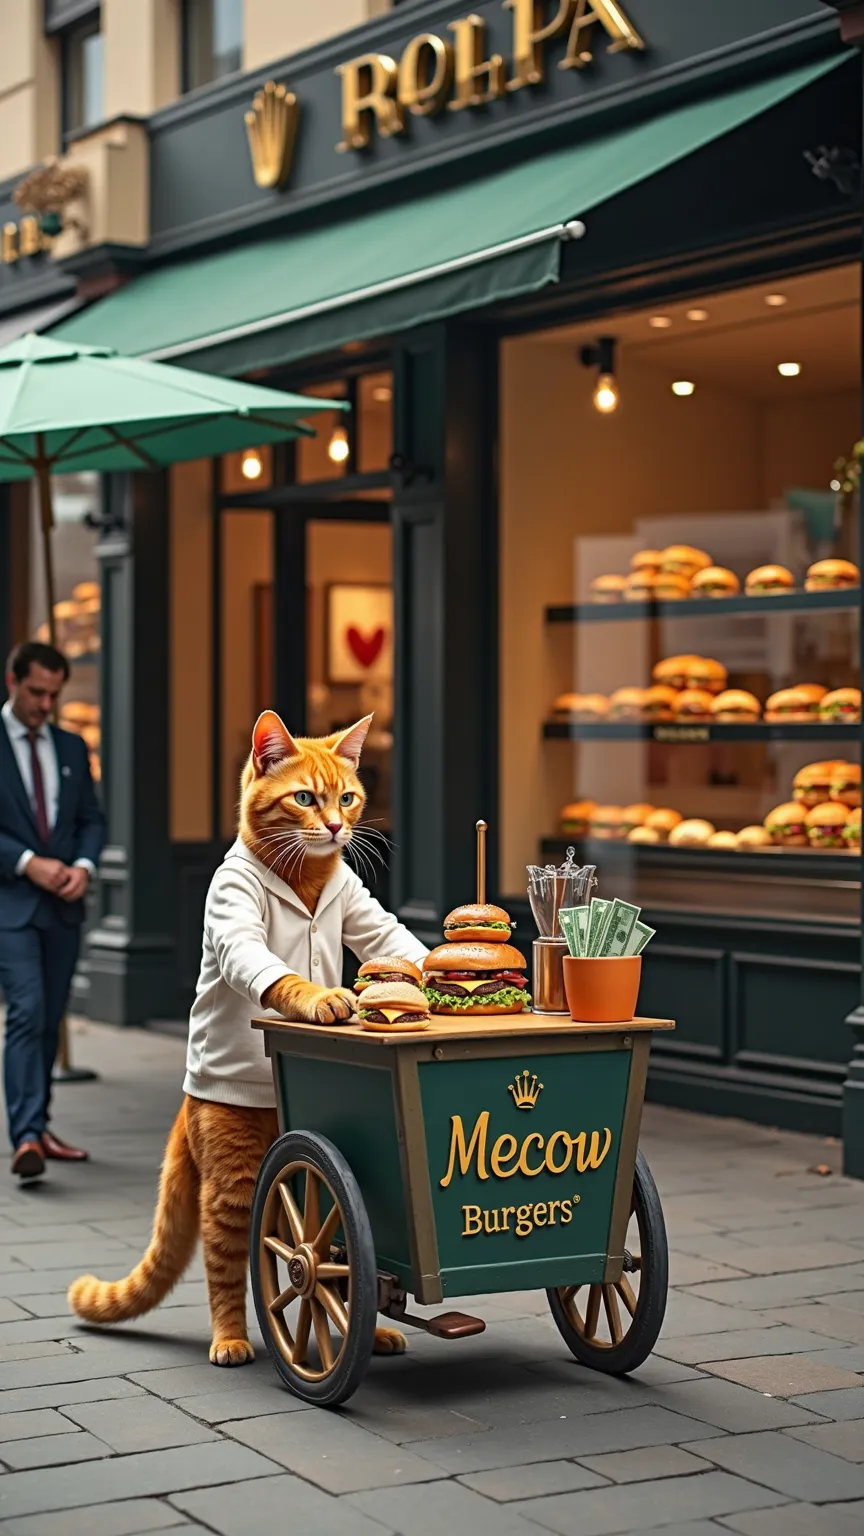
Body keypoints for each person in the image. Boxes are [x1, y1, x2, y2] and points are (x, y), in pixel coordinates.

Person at [0, 641, 105, 1179]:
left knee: (48, 1018)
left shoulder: (70, 745)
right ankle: (24, 1136)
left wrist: (83, 864)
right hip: (11, 905)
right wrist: (25, 862)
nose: (45, 704)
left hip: (64, 906)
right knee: (27, 1009)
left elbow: (92, 817)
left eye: (54, 694)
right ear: (12, 680)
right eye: (36, 692)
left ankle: (36, 1127)